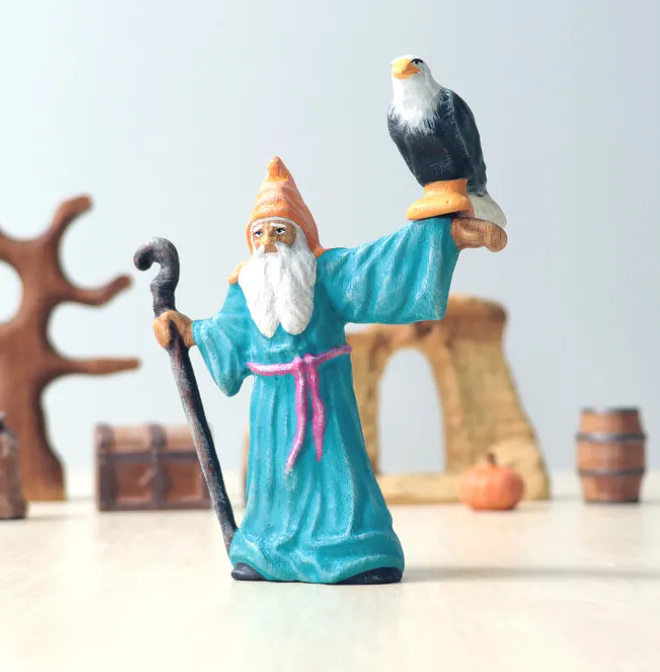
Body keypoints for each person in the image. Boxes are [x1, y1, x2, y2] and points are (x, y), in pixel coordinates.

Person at [154, 157, 505, 584]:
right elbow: (227, 333)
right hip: (272, 410)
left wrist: (443, 235)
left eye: (279, 230)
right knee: (276, 483)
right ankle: (265, 551)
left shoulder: (327, 273)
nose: (269, 242)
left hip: (324, 400)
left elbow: (381, 268)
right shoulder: (245, 286)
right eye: (259, 233)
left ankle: (358, 551)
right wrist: (189, 330)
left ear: (301, 233)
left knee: (339, 477)